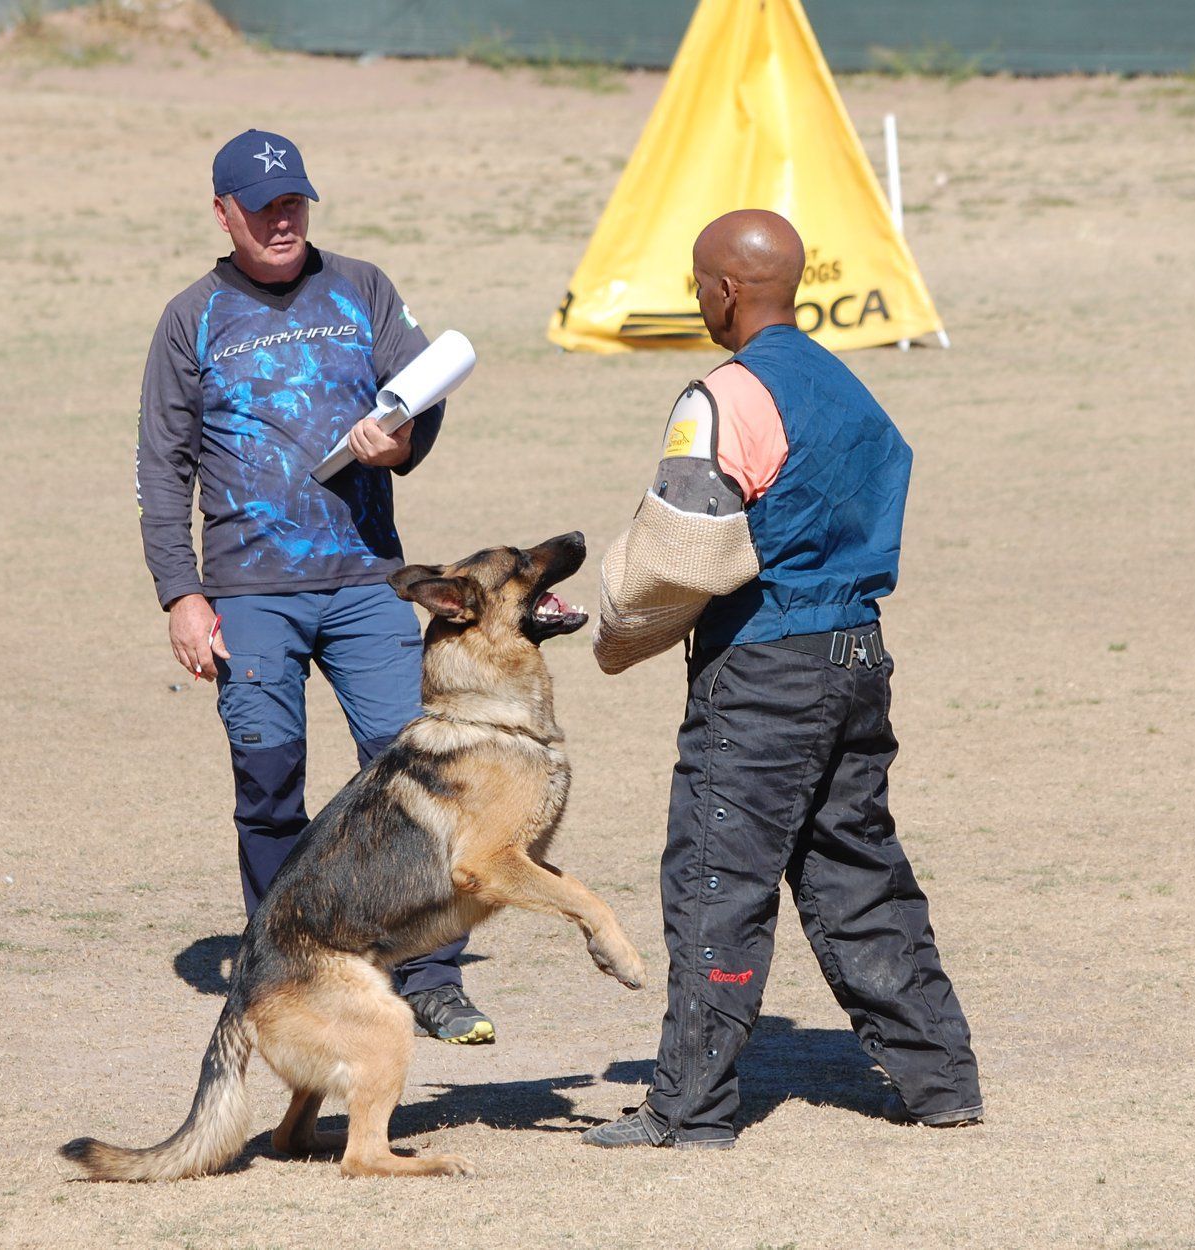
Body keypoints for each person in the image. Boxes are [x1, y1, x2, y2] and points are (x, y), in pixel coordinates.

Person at [582, 209, 983, 1149]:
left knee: (718, 880)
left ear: (724, 289)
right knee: (860, 873)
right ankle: (942, 1083)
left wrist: (612, 630)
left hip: (766, 671)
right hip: (857, 657)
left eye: (695, 281)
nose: (694, 297)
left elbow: (680, 552)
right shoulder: (850, 388)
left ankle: (689, 1110)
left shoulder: (723, 394)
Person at [134, 128, 493, 1044]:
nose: (284, 220)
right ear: (224, 214)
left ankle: (432, 974)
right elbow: (161, 465)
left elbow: (424, 389)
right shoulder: (191, 319)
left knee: (416, 775)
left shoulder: (361, 288)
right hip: (249, 594)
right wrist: (182, 592)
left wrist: (402, 437)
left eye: (295, 202)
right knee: (267, 781)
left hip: (368, 580)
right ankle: (283, 967)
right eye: (263, 209)